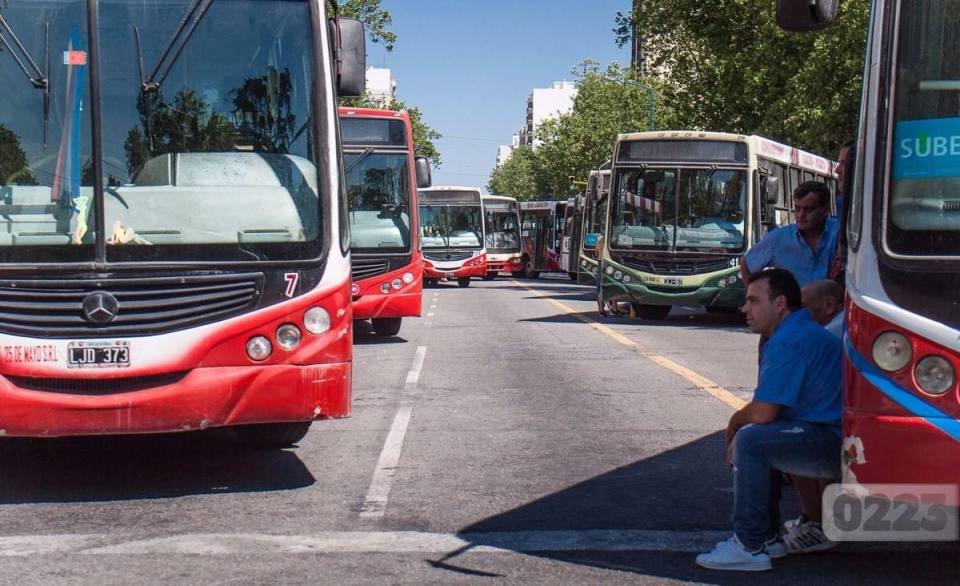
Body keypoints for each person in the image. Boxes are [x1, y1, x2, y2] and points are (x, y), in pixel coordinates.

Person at [695, 269, 842, 572]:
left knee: (751, 440)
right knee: (762, 436)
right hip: (831, 437)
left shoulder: (788, 340)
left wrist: (735, 423)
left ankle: (749, 545)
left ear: (780, 303)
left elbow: (764, 412)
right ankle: (770, 538)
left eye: (753, 301)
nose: (744, 308)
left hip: (834, 444)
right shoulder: (798, 331)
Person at [740, 181, 840, 288]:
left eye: (809, 209)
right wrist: (755, 299)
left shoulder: (839, 232)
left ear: (825, 210)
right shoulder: (779, 238)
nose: (801, 215)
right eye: (797, 209)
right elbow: (746, 264)